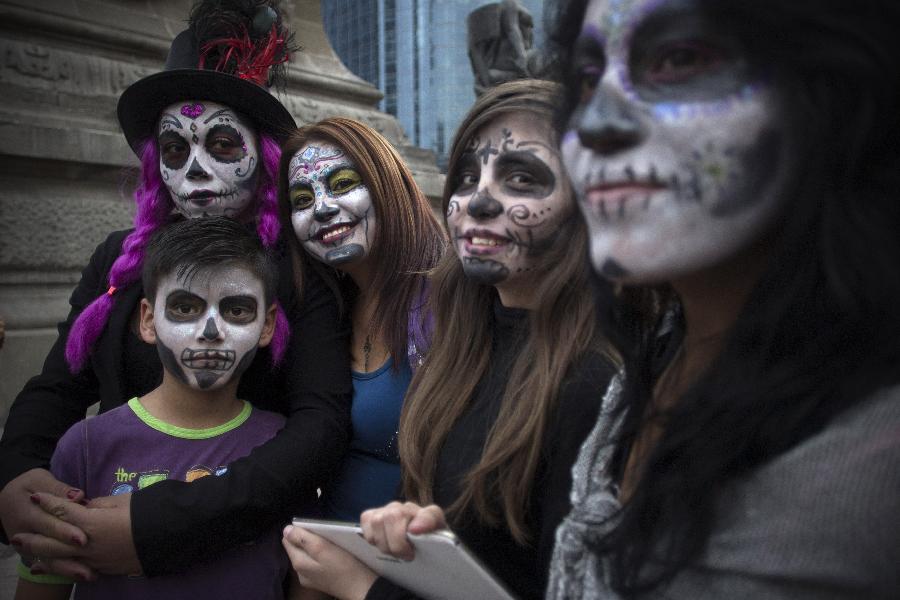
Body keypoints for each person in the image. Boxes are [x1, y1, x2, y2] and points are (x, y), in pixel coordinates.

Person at [546, 0, 900, 598]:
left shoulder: (877, 451)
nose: (596, 123)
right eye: (587, 80)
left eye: (680, 57)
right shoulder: (647, 369)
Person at [0, 0, 352, 583]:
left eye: (220, 146)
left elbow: (320, 427)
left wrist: (157, 524)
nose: (193, 170)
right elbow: (58, 385)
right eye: (174, 150)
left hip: (244, 551)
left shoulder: (297, 270)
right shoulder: (118, 260)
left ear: (261, 158)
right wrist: (15, 478)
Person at [281, 79, 619, 600]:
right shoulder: (468, 344)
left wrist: (361, 587)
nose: (478, 200)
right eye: (466, 175)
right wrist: (421, 525)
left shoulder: (595, 383)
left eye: (521, 177)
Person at [15, 217, 292, 599]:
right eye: (184, 307)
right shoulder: (86, 447)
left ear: (267, 325)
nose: (210, 332)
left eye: (237, 311)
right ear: (148, 319)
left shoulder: (284, 447)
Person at [277, 117, 444, 522]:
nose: (321, 208)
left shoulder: (448, 298)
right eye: (301, 199)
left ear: (387, 184)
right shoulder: (322, 311)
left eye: (341, 184)